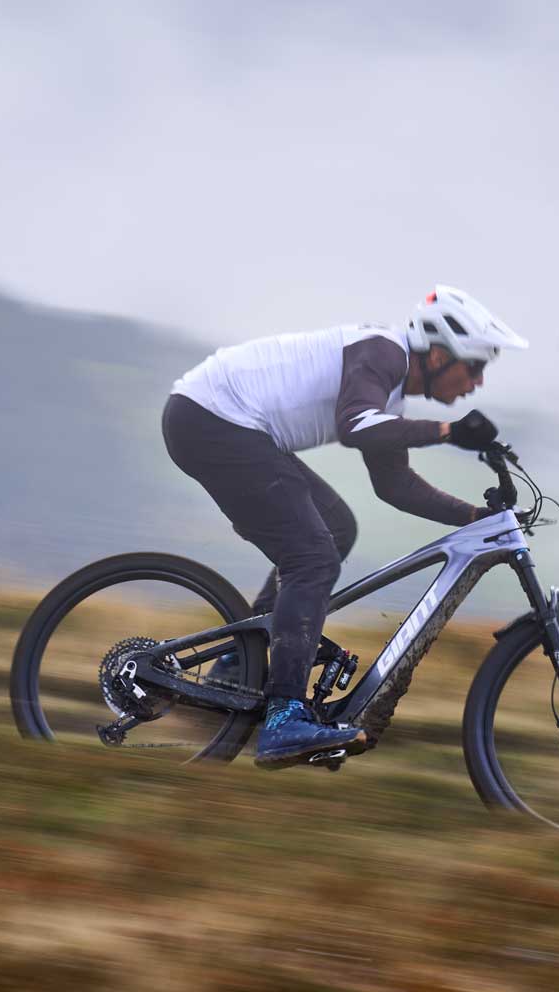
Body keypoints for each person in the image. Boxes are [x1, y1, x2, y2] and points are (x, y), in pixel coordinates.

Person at [161, 285, 527, 768]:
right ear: (439, 355)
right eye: (475, 367)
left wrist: (477, 517)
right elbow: (355, 425)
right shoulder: (382, 353)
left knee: (336, 530)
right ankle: (283, 717)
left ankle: (238, 665)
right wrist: (447, 432)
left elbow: (395, 486)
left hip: (224, 423)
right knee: (313, 557)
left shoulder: (388, 393)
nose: (476, 383)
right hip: (211, 419)